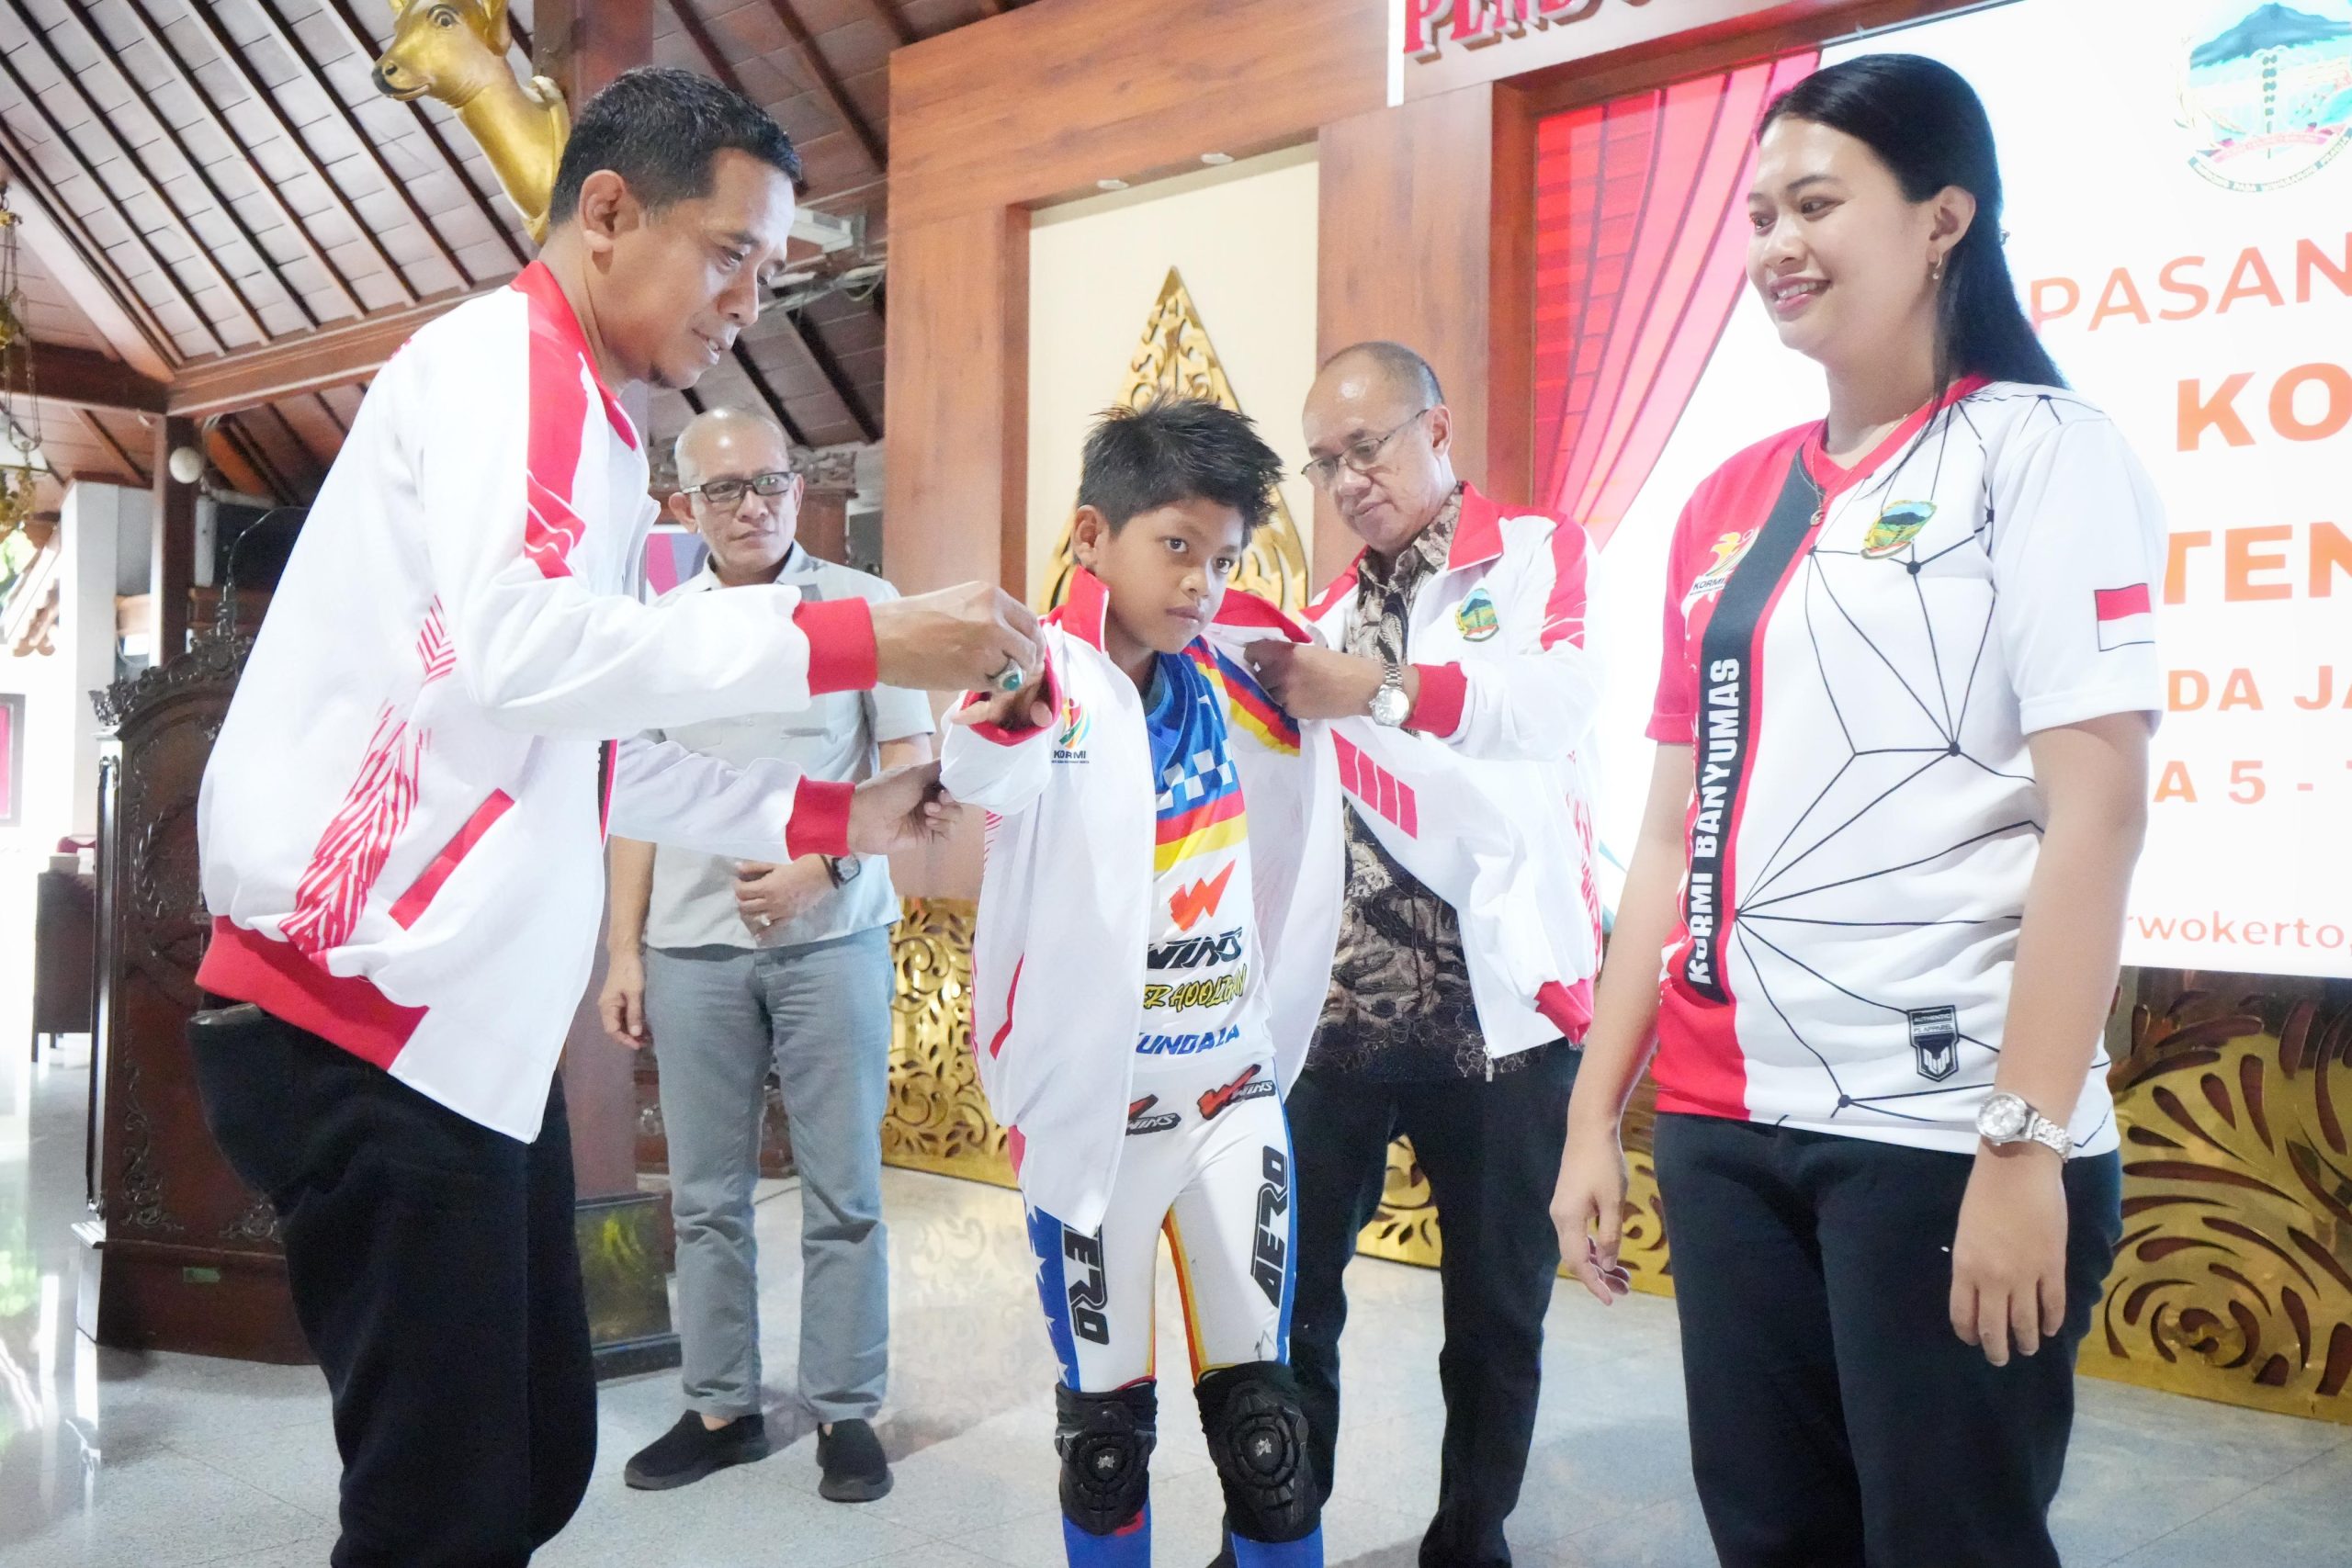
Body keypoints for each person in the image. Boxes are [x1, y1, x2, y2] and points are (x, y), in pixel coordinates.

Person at [185, 68, 1045, 1568]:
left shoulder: (588, 424)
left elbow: (585, 747)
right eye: (731, 254)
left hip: (462, 1038)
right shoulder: (508, 366)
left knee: (531, 1462)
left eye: (770, 270)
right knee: (442, 1510)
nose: (752, 303)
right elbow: (526, 656)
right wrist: (868, 636)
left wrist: (838, 810)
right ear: (606, 211)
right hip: (367, 1017)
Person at [1548, 53, 2159, 1568]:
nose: (1776, 244)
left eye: (1815, 204)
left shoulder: (2043, 449)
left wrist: (2021, 1143)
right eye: (1759, 214)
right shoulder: (1727, 498)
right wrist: (1593, 1114)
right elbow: (1669, 830)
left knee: (1950, 1540)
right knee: (1770, 1538)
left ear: (1943, 218)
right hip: (1726, 1125)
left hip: (1942, 1127)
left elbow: (2097, 817)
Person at [942, 398, 1342, 1568]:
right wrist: (1001, 719)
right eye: (1175, 546)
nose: (1201, 583)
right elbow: (977, 762)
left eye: (1222, 557)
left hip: (1230, 1098)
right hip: (1093, 1123)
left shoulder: (1237, 667)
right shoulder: (1038, 675)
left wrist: (1381, 686)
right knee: (1104, 1445)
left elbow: (1345, 695)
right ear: (1089, 536)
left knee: (1268, 1439)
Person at [1240, 342, 1603, 1568]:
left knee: (1497, 1315)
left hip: (1499, 1018)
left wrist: (1380, 689)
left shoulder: (1538, 554)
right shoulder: (1317, 622)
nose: (1347, 480)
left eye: (1367, 448)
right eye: (1324, 463)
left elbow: (1553, 708)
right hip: (1335, 1022)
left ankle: (1469, 1537)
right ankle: (1276, 1532)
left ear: (1436, 430)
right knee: (1289, 1308)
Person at [600, 408, 932, 1501]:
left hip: (833, 934)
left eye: (770, 482)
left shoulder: (862, 605)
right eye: (724, 489)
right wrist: (624, 952)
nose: (752, 506)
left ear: (798, 486)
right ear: (682, 505)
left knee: (844, 1189)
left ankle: (845, 1409)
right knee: (705, 1197)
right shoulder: (659, 630)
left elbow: (910, 759)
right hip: (691, 948)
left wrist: (819, 868)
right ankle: (720, 1406)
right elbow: (632, 803)